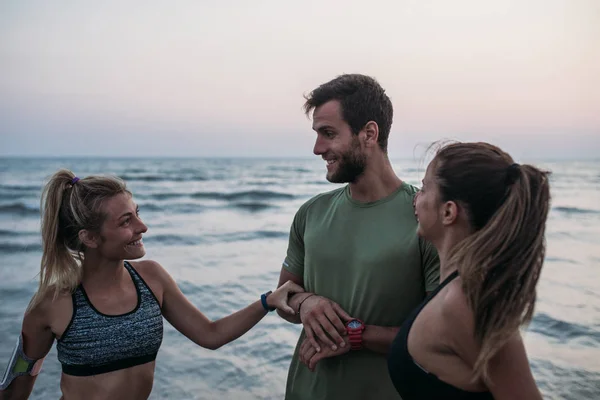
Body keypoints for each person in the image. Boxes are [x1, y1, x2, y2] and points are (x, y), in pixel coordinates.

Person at [0, 169, 304, 400]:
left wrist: (268, 301)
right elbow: (20, 379)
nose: (142, 227)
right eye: (125, 222)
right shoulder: (55, 303)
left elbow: (211, 335)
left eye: (137, 214)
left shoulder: (151, 278)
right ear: (89, 238)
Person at [275, 74, 440, 399]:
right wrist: (307, 301)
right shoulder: (311, 213)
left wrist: (353, 335)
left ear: (369, 133)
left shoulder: (423, 218)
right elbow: (284, 297)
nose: (317, 148)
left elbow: (438, 338)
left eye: (328, 133)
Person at [387, 141, 548, 399]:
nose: (417, 196)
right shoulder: (455, 288)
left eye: (426, 187)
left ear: (448, 211)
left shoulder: (465, 301)